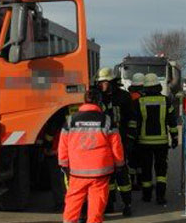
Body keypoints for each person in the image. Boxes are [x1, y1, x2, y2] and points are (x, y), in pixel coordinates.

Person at [59, 88, 125, 223]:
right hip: (100, 171)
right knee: (97, 203)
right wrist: (119, 164)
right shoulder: (106, 121)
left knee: (73, 200)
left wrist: (64, 164)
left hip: (77, 171)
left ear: (84, 101)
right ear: (98, 102)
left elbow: (63, 145)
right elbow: (116, 146)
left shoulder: (71, 120)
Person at [134, 73, 179, 205]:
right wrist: (174, 137)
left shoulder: (139, 102)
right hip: (161, 142)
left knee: (146, 169)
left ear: (146, 87)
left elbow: (135, 122)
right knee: (161, 171)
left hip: (144, 142)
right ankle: (160, 196)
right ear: (158, 86)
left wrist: (133, 139)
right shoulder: (166, 101)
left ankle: (147, 196)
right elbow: (172, 121)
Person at [95, 67, 134, 216]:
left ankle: (127, 204)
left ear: (111, 81)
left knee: (122, 174)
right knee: (108, 176)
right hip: (103, 143)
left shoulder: (124, 96)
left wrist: (130, 139)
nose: (101, 85)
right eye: (99, 82)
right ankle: (109, 203)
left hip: (121, 141)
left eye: (103, 82)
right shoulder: (99, 97)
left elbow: (132, 118)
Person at [42, 105, 79, 211]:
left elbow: (52, 129)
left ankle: (62, 203)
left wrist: (47, 145)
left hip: (57, 149)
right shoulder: (79, 108)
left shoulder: (59, 109)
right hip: (74, 149)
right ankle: (75, 202)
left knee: (57, 178)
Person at [127, 72, 145, 191]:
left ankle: (131, 181)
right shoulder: (141, 98)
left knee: (132, 160)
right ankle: (140, 181)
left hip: (130, 132)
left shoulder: (129, 96)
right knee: (140, 160)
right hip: (140, 132)